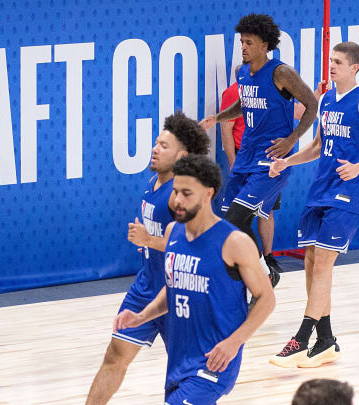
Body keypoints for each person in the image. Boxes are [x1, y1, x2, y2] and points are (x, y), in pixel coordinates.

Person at [268, 42, 359, 367]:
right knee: (311, 263)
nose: (332, 66)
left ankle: (301, 337)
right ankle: (325, 341)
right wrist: (288, 161)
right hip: (320, 190)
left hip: (347, 194)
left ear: (355, 67)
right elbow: (316, 146)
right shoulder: (326, 99)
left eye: (338, 62)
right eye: (330, 60)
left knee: (324, 263)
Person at [114, 154, 275, 404]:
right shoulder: (172, 232)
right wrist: (141, 316)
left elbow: (266, 298)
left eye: (186, 193)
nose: (177, 200)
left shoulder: (235, 242)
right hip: (180, 360)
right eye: (176, 192)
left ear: (207, 194)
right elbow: (174, 289)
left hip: (214, 363)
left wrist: (235, 342)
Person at [85, 111, 209, 405]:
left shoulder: (181, 194)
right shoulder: (153, 182)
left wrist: (148, 240)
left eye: (164, 146)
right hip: (146, 286)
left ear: (183, 156)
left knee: (187, 376)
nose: (155, 149)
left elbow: (194, 246)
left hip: (178, 295)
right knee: (115, 355)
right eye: (156, 143)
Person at [200, 14, 319, 290]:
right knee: (232, 225)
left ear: (264, 45)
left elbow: (311, 105)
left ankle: (254, 277)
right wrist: (217, 118)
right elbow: (245, 103)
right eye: (241, 41)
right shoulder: (243, 72)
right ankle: (267, 273)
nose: (243, 47)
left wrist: (292, 139)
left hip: (270, 161)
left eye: (249, 42)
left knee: (234, 220)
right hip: (245, 158)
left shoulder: (281, 73)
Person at [219, 63, 283, 275]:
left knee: (266, 210)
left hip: (267, 158)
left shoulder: (269, 92)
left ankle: (268, 257)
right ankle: (247, 261)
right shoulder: (231, 93)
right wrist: (233, 162)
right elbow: (226, 131)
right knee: (239, 213)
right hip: (244, 157)